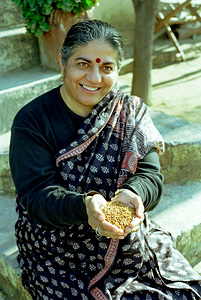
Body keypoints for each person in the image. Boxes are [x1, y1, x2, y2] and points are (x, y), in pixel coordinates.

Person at [9, 19, 201, 300]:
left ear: (117, 71)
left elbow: (151, 176)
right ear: (62, 61)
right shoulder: (33, 121)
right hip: (56, 248)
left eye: (106, 67)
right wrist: (86, 206)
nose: (95, 78)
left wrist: (133, 194)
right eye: (83, 64)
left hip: (128, 239)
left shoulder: (131, 113)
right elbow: (38, 195)